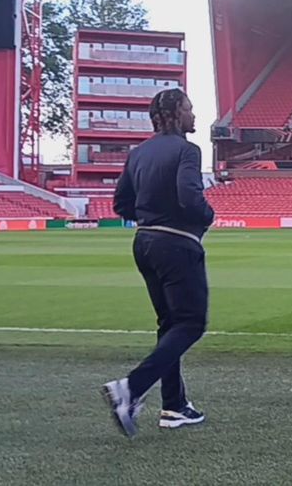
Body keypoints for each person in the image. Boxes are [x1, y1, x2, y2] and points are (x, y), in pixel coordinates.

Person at [104, 88, 214, 438]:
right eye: (190, 109)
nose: (194, 115)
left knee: (170, 325)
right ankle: (131, 389)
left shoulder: (139, 153)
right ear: (176, 114)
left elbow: (121, 203)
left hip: (145, 242)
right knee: (191, 323)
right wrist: (206, 215)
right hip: (177, 244)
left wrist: (151, 213)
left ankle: (174, 406)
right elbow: (189, 195)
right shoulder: (187, 150)